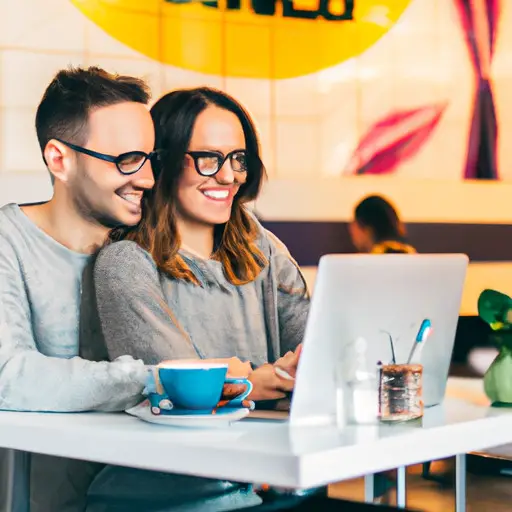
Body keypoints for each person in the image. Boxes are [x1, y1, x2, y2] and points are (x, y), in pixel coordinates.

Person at [79, 87, 309, 510]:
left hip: (265, 483)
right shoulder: (125, 265)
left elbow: (310, 341)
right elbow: (183, 391)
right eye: (209, 158)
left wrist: (268, 376)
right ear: (162, 162)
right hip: (169, 498)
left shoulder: (261, 246)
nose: (228, 176)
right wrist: (252, 384)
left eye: (239, 159)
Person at [348, 195, 416, 254]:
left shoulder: (374, 259)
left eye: (354, 224)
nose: (352, 232)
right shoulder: (410, 253)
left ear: (366, 228)